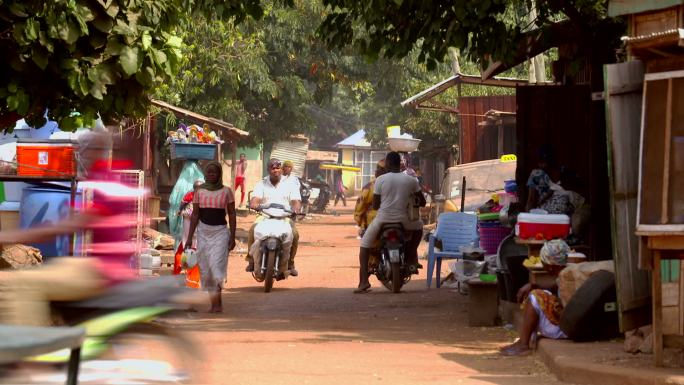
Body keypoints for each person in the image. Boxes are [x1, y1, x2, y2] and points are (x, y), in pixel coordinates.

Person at [355, 152, 426, 293]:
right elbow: (422, 202)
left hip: (382, 220)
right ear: (400, 163)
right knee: (419, 227)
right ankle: (411, 256)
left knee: (364, 246)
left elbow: (375, 205)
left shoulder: (380, 180)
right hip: (403, 220)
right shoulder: (411, 180)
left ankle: (364, 281)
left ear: (387, 163)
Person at [499, 240, 569, 356]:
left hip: (565, 329)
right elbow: (552, 288)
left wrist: (537, 291)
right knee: (537, 293)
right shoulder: (564, 274)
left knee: (535, 297)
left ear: (551, 265)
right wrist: (533, 285)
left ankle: (524, 344)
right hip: (565, 326)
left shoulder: (566, 277)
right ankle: (523, 341)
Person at [186, 161, 237, 313]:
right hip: (203, 232)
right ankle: (214, 304)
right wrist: (189, 238)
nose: (211, 175)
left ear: (219, 174)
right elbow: (195, 215)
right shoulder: (199, 191)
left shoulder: (227, 191)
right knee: (206, 269)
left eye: (214, 172)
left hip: (220, 232)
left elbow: (232, 214)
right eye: (208, 172)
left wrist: (232, 236)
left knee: (217, 268)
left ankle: (218, 304)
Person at [246, 158, 302, 276]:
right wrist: (254, 204)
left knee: (295, 234)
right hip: (265, 216)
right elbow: (255, 198)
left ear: (281, 169)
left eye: (277, 168)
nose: (275, 170)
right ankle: (251, 260)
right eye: (273, 168)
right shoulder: (261, 183)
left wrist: (296, 208)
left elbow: (296, 200)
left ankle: (290, 263)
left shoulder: (290, 184)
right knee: (252, 230)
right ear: (268, 170)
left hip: (284, 217)